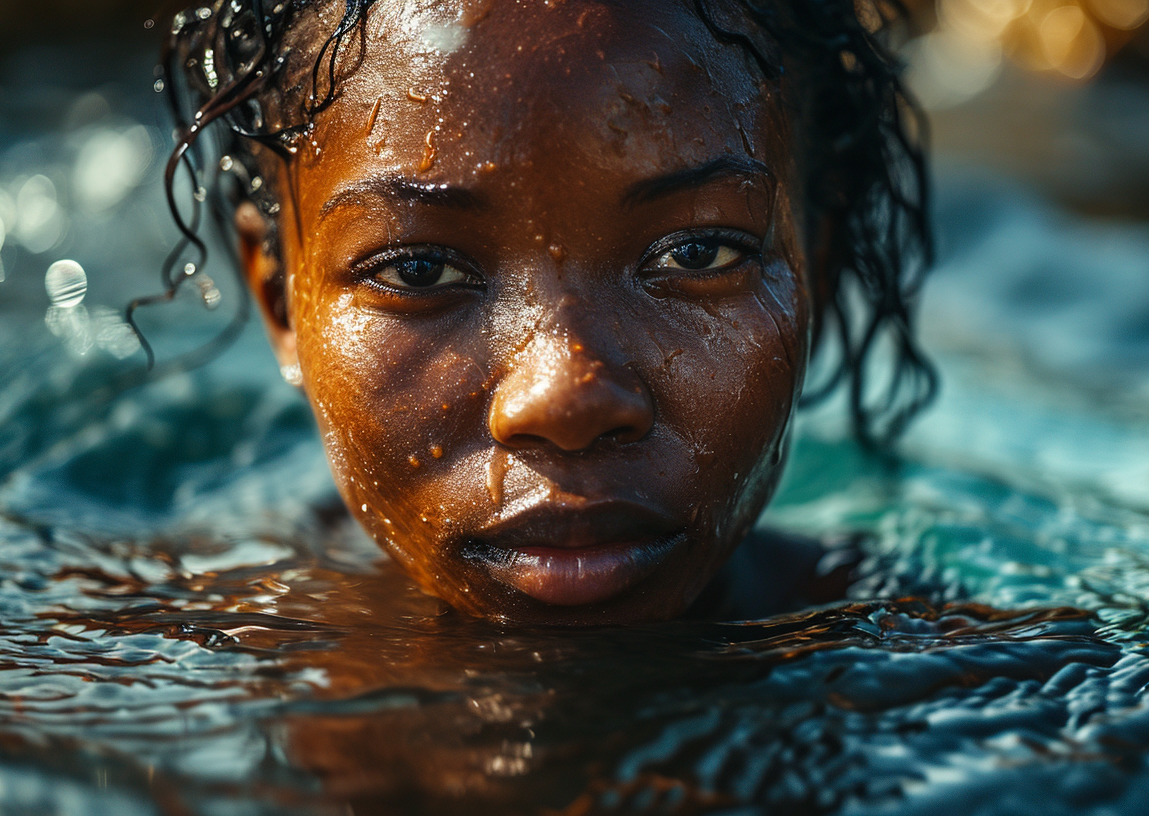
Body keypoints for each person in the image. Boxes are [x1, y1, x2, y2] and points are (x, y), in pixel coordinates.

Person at [152, 0, 933, 625]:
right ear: (281, 300)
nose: (565, 399)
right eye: (421, 270)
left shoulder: (946, 682)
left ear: (816, 271)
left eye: (697, 253)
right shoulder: (139, 652)